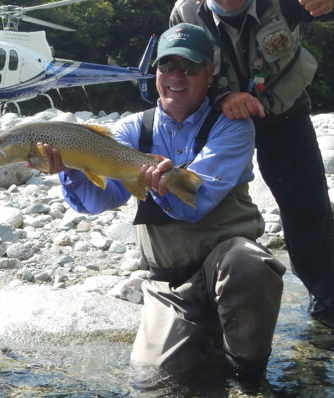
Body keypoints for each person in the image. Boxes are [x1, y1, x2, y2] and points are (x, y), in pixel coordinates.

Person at [31, 23, 286, 385]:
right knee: (153, 385)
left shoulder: (232, 126)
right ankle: (205, 338)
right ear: (156, 73)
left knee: (249, 262)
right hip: (168, 286)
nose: (176, 76)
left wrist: (163, 187)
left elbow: (195, 199)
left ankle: (248, 378)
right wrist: (70, 168)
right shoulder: (132, 130)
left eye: (189, 67)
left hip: (226, 266)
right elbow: (100, 200)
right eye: (167, 66)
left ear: (209, 73)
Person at [169, 0, 334, 328]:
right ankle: (205, 301)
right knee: (201, 203)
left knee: (308, 212)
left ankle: (327, 308)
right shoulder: (186, 13)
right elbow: (182, 77)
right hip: (221, 120)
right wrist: (220, 98)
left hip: (284, 114)